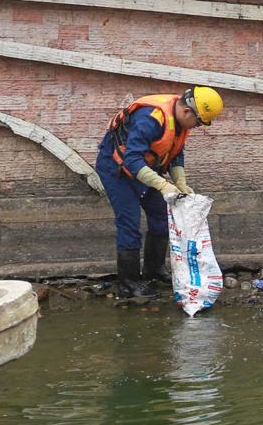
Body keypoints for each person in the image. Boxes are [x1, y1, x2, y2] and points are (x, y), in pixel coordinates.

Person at [96, 87, 224, 299]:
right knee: (130, 223)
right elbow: (131, 159)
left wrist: (179, 180)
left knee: (162, 218)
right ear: (186, 112)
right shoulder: (151, 119)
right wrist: (162, 185)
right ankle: (128, 284)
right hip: (117, 170)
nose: (199, 127)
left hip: (144, 169)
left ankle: (153, 270)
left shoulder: (179, 121)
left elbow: (175, 152)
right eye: (199, 122)